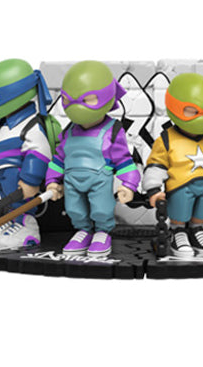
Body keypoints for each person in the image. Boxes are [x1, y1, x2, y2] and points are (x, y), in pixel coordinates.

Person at [46, 61, 140, 257]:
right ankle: (83, 231)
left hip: (99, 181)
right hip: (71, 181)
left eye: (88, 100)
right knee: (74, 209)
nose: (78, 107)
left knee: (101, 208)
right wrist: (52, 181)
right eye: (68, 100)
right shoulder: (69, 131)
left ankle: (102, 232)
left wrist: (129, 184)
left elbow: (124, 161)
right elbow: (59, 159)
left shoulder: (112, 130)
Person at [142, 73, 203, 258]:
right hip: (180, 187)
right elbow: (156, 165)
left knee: (202, 210)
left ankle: (197, 231)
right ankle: (178, 232)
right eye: (192, 111)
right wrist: (153, 189)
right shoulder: (168, 139)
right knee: (180, 207)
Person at [0, 58, 52, 247]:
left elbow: (40, 152)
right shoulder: (7, 125)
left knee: (21, 204)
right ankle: (12, 223)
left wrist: (30, 180)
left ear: (14, 92)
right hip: (3, 174)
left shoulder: (30, 124)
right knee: (8, 203)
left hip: (18, 174)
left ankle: (28, 230)